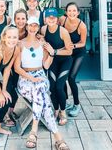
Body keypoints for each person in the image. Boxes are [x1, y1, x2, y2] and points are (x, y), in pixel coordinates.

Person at [14, 16, 70, 150]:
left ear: (38, 27)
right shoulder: (20, 44)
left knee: (39, 90)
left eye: (35, 26)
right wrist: (31, 78)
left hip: (40, 75)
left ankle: (34, 132)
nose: (32, 28)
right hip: (25, 79)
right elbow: (17, 68)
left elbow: (45, 66)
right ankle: (58, 137)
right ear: (26, 27)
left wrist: (51, 53)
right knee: (42, 96)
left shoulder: (42, 43)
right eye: (30, 25)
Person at [41, 8, 73, 126]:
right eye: (49, 17)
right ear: (45, 19)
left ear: (57, 19)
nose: (51, 19)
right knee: (52, 87)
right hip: (53, 62)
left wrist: (54, 51)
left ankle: (63, 112)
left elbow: (69, 51)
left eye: (53, 17)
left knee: (59, 86)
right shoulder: (43, 30)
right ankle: (55, 109)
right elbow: (42, 42)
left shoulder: (63, 31)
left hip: (65, 60)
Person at [59, 2, 87, 117]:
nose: (72, 13)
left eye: (74, 11)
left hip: (78, 52)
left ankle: (77, 104)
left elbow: (83, 43)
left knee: (71, 78)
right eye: (69, 11)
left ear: (78, 12)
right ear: (66, 12)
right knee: (63, 77)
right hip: (67, 52)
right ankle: (65, 102)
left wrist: (72, 46)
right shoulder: (62, 20)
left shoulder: (82, 26)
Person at [4, 8, 28, 126]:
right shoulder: (11, 31)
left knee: (16, 89)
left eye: (23, 18)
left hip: (22, 65)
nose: (20, 21)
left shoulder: (29, 31)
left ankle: (11, 112)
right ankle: (6, 115)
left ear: (26, 20)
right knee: (9, 88)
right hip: (9, 63)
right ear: (14, 20)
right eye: (18, 18)